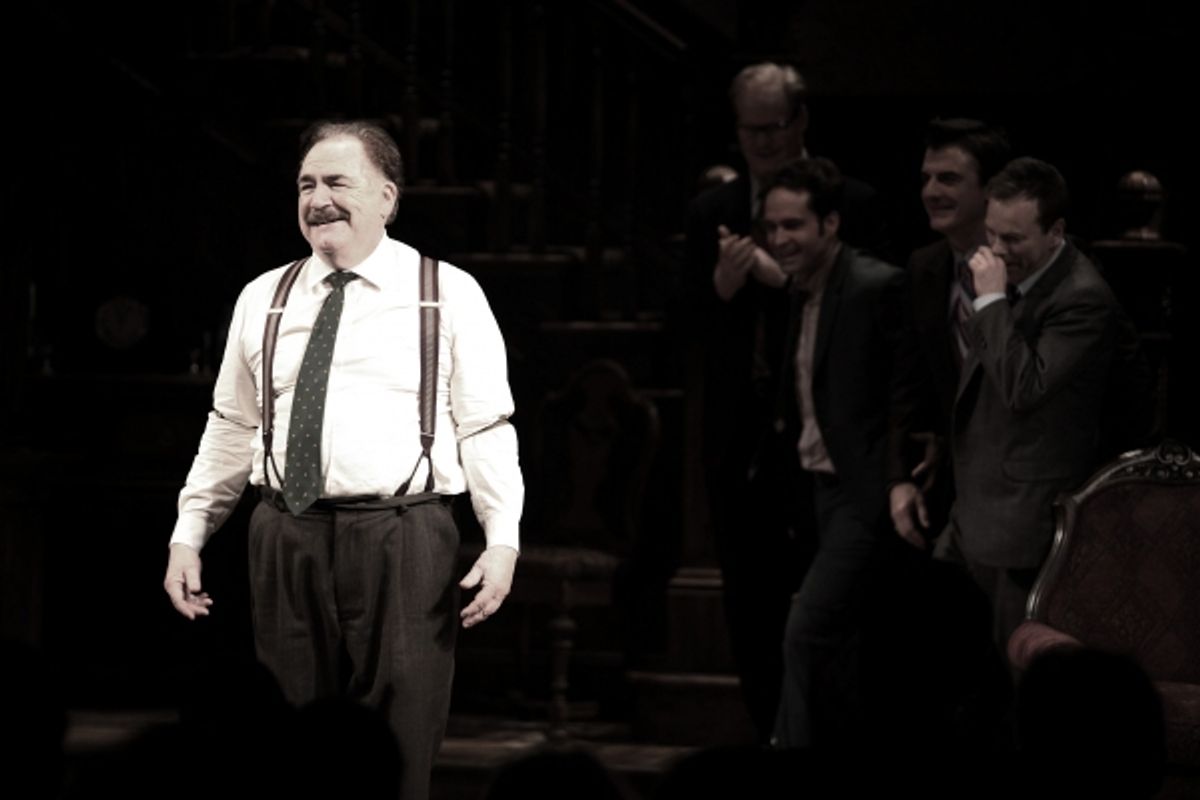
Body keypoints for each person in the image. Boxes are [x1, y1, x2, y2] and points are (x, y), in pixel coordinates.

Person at [161, 119, 523, 800]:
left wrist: (501, 539)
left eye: (336, 182)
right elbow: (231, 425)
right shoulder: (263, 297)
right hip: (285, 531)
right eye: (306, 184)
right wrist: (189, 534)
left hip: (404, 535)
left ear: (387, 197)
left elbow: (485, 427)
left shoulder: (446, 293)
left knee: (400, 744)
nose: (318, 198)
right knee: (293, 742)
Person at [680, 61, 886, 743]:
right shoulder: (715, 210)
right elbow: (681, 335)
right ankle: (772, 733)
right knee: (753, 609)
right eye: (750, 129)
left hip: (828, 447)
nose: (763, 142)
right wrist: (721, 288)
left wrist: (781, 282)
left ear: (799, 122)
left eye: (774, 127)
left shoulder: (850, 202)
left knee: (830, 618)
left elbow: (871, 325)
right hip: (745, 446)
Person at [756, 158, 918, 749]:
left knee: (806, 631)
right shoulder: (801, 291)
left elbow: (905, 395)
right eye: (771, 228)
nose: (779, 239)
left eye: (793, 225)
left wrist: (893, 482)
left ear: (830, 223)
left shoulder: (876, 285)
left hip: (862, 493)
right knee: (833, 647)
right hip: (818, 490)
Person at [944, 157, 1127, 655]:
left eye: (1014, 239)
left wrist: (989, 303)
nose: (997, 252)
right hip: (971, 512)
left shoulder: (1083, 298)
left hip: (1022, 525)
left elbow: (1024, 387)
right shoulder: (1013, 276)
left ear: (1056, 231)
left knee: (1015, 675)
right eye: (992, 235)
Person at [888, 118, 1012, 549]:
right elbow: (907, 385)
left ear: (991, 188)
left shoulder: (1032, 261)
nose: (931, 192)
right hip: (950, 487)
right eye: (926, 178)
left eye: (949, 178)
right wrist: (899, 478)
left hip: (1024, 488)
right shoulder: (924, 267)